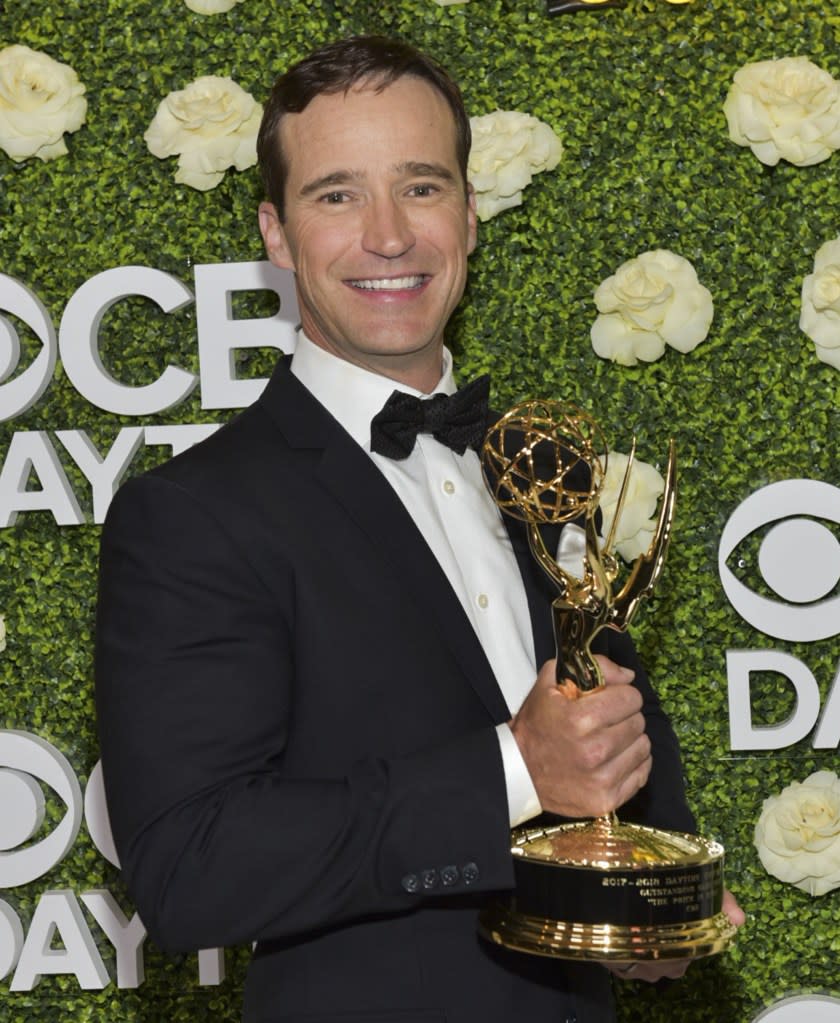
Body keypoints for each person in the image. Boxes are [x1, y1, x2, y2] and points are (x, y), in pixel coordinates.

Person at [95, 35, 742, 1023]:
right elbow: (193, 869)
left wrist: (649, 902)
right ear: (276, 233)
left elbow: (606, 705)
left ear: (471, 216)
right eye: (338, 195)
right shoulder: (192, 517)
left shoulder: (545, 468)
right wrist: (518, 769)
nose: (389, 236)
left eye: (423, 187)